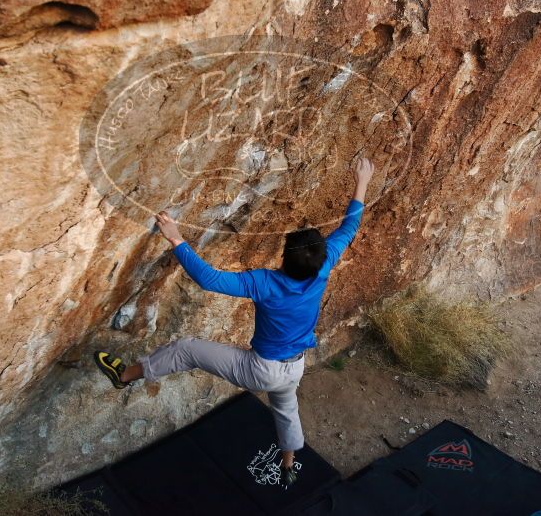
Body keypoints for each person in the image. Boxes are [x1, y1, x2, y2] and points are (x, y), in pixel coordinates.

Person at [95, 157, 375, 488]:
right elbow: (349, 227)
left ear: (284, 257)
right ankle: (288, 466)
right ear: (319, 257)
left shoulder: (266, 283)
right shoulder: (323, 266)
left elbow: (210, 280)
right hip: (295, 366)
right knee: (286, 411)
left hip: (262, 369)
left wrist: (175, 238)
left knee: (187, 349)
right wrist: (362, 182)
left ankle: (124, 376)